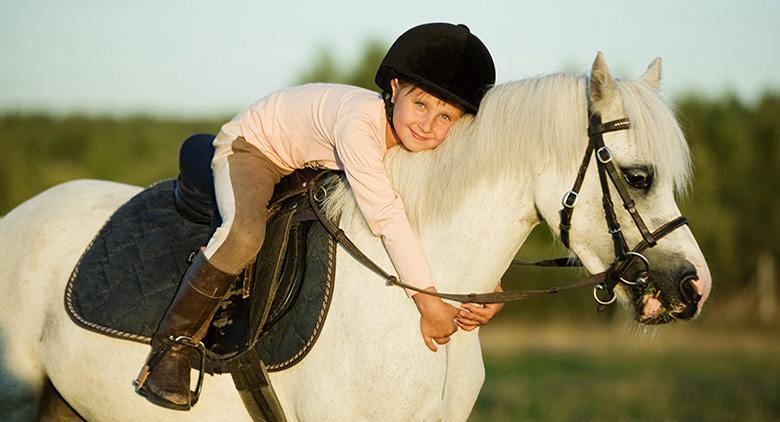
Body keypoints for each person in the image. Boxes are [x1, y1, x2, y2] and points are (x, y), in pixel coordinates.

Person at [135, 22, 502, 410]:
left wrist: (491, 286)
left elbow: (438, 215)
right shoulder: (359, 126)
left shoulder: (415, 138)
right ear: (395, 88)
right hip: (255, 148)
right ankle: (171, 346)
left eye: (446, 117)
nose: (427, 125)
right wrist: (429, 304)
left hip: (308, 161)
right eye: (421, 104)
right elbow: (388, 217)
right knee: (243, 234)